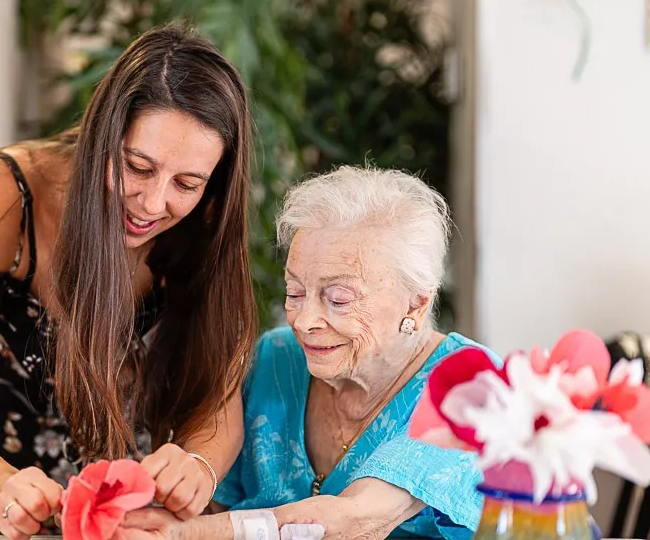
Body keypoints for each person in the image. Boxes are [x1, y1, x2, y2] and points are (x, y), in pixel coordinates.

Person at [0, 24, 256, 538]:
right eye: (138, 167)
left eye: (186, 183)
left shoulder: (206, 219)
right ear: (101, 137)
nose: (155, 204)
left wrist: (198, 464)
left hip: (127, 521)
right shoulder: (7, 193)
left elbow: (219, 397)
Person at [115, 167, 494, 540]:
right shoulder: (275, 358)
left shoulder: (470, 384)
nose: (304, 321)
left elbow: (353, 522)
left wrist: (184, 535)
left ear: (415, 305)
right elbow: (216, 502)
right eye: (295, 292)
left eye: (339, 299)